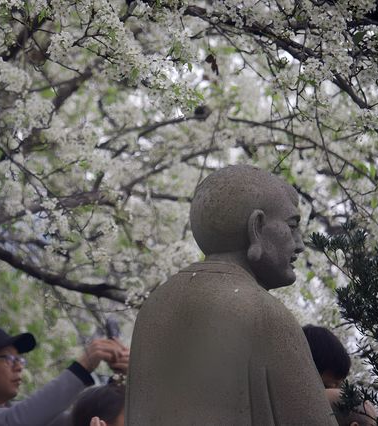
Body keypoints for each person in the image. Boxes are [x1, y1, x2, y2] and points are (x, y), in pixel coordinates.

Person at [126, 165, 337, 425]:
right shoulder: (262, 312)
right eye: (291, 225)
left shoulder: (155, 306)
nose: (300, 244)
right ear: (256, 227)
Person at [0, 326, 129, 426]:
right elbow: (14, 423)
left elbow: (77, 419)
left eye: (20, 360)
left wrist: (123, 380)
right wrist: (82, 366)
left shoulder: (6, 408)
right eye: (8, 359)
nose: (18, 368)